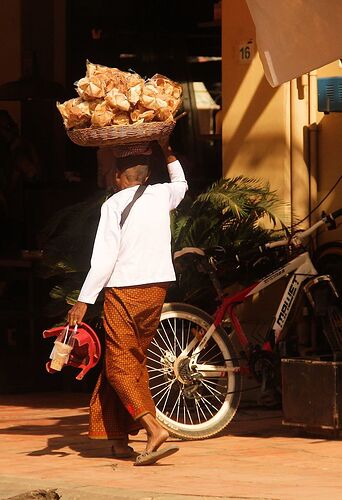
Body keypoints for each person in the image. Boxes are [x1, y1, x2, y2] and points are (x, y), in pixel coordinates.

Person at [67, 138, 187, 466]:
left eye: (110, 172)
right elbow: (181, 182)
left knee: (120, 365)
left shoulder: (114, 205)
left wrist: (83, 300)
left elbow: (104, 259)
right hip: (157, 288)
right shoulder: (162, 195)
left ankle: (153, 428)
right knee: (131, 361)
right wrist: (167, 147)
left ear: (121, 176)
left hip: (124, 290)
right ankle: (119, 441)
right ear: (145, 176)